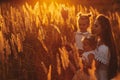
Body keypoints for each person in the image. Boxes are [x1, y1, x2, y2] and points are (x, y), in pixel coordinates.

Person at [91, 14, 118, 80]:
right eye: (94, 25)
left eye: (96, 26)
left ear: (103, 28)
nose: (93, 28)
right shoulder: (99, 41)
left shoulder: (104, 48)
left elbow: (94, 66)